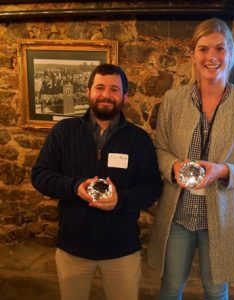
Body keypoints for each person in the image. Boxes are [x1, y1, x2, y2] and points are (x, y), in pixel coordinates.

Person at [148, 18, 234, 300]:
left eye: (220, 49)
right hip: (178, 215)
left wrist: (223, 171)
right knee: (169, 288)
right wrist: (173, 166)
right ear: (193, 55)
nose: (211, 57)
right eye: (203, 49)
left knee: (216, 291)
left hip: (222, 220)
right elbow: (160, 149)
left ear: (231, 54)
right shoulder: (174, 100)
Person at [31, 63, 163, 300]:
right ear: (89, 91)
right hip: (73, 248)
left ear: (125, 96)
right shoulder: (63, 131)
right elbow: (40, 175)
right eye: (100, 87)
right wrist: (75, 187)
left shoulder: (139, 139)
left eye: (114, 89)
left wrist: (121, 199)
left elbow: (152, 187)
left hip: (122, 250)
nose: (106, 95)